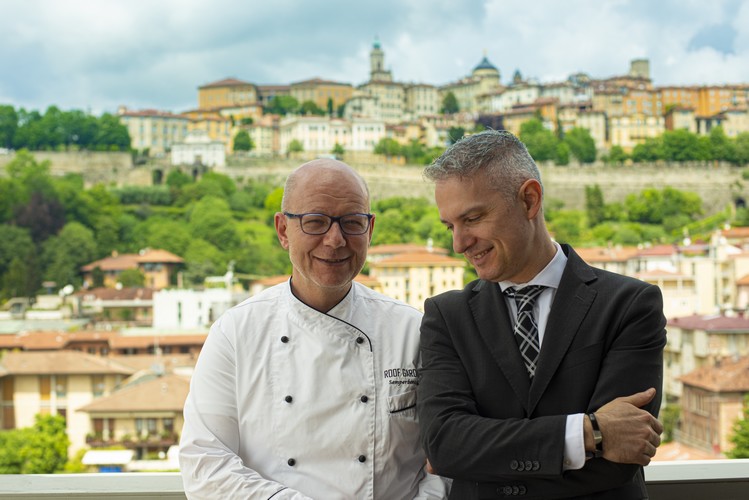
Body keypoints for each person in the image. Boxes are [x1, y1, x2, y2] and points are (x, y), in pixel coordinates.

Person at [416, 130, 667, 499]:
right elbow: (444, 444)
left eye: (472, 218)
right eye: (450, 226)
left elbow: (620, 460)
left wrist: (484, 464)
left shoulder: (630, 304)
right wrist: (589, 432)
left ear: (529, 200)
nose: (459, 243)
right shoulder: (446, 316)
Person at [179, 159, 448, 499]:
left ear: (370, 230)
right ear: (282, 230)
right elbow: (205, 464)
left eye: (352, 223)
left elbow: (450, 457)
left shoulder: (413, 331)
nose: (335, 240)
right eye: (315, 222)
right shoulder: (236, 333)